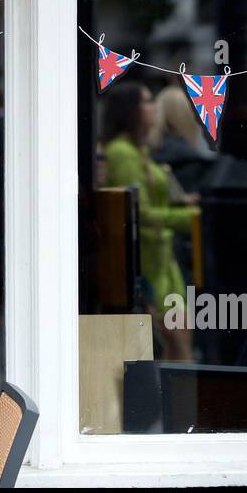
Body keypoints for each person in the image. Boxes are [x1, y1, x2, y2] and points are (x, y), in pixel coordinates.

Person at [101, 81, 197, 361]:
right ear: (130, 111)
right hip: (147, 263)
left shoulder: (137, 150)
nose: (153, 107)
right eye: (146, 101)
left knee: (178, 346)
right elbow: (137, 212)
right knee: (175, 350)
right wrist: (191, 218)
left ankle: (177, 403)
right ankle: (176, 404)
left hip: (161, 261)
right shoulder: (123, 153)